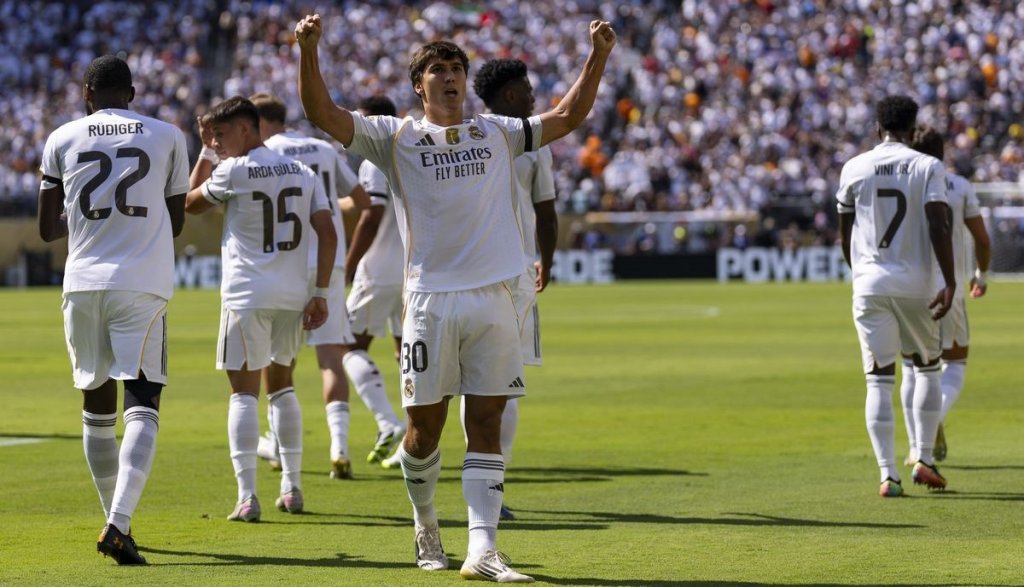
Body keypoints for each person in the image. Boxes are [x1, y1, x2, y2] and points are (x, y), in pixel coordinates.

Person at [296, 13, 615, 582]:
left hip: (494, 297)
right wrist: (309, 49)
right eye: (438, 69)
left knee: (487, 421)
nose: (449, 76)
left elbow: (567, 116)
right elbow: (322, 113)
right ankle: (425, 524)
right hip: (429, 303)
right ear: (419, 85)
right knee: (424, 432)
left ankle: (483, 549)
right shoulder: (393, 137)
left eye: (456, 69)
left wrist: (598, 56)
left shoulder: (497, 132)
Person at [38, 55, 189, 565]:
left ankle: (116, 519)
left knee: (96, 410)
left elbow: (46, 229)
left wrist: (88, 218)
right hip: (140, 283)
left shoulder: (61, 138)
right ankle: (119, 523)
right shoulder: (167, 135)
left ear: (86, 93)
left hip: (81, 283)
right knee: (142, 401)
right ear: (132, 93)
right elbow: (175, 222)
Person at [184, 96, 337, 522]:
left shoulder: (234, 170)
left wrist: (205, 153)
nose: (218, 141)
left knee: (244, 393)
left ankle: (247, 495)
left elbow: (189, 203)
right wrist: (321, 291)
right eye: (213, 137)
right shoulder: (303, 172)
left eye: (221, 134)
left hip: (246, 295)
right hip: (292, 294)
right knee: (283, 386)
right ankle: (292, 485)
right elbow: (327, 233)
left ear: (245, 129)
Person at [836, 95, 956, 499]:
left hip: (870, 283)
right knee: (926, 369)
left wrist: (862, 275)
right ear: (913, 127)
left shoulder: (854, 167)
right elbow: (938, 225)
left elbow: (845, 233)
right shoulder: (927, 166)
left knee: (878, 380)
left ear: (877, 128)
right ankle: (923, 457)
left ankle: (888, 475)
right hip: (917, 284)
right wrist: (950, 281)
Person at [248, 92, 371, 480]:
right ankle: (339, 448)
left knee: (280, 360)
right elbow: (362, 200)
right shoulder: (324, 148)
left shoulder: (265, 153)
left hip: (287, 262)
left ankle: (279, 445)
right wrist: (329, 206)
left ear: (259, 122)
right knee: (331, 357)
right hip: (330, 261)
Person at [460, 58, 559, 521]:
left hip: (463, 274)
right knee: (505, 385)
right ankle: (493, 490)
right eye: (528, 90)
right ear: (510, 95)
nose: (534, 97)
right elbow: (547, 212)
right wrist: (547, 262)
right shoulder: (533, 143)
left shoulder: (461, 136)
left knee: (466, 384)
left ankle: (472, 480)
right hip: (514, 272)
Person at [899, 125, 991, 464]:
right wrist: (981, 275)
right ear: (942, 153)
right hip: (948, 285)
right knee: (955, 363)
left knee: (911, 367)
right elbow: (982, 240)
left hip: (907, 286)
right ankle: (934, 418)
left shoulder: (902, 186)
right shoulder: (959, 186)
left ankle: (915, 447)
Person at [342, 95, 408, 468]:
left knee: (347, 346)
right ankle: (413, 441)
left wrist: (349, 265)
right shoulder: (410, 154)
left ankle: (388, 423)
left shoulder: (374, 160)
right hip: (413, 270)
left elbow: (372, 215)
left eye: (362, 122)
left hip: (379, 269)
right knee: (407, 355)